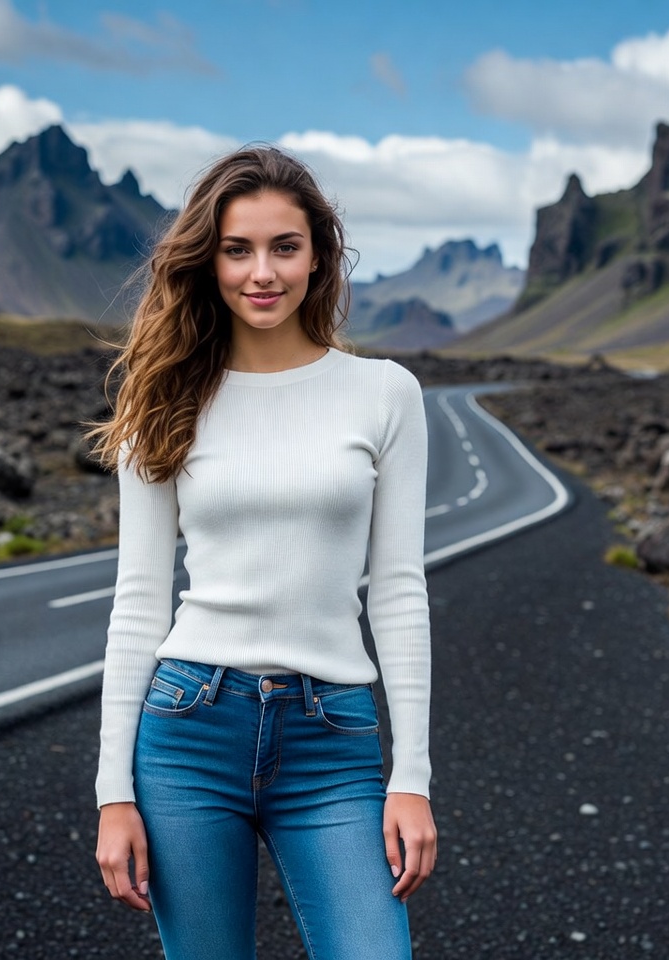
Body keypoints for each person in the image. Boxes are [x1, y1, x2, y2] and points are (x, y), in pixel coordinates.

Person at [90, 145, 437, 960]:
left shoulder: (385, 393)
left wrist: (412, 777)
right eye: (237, 249)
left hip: (333, 738)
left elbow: (397, 591)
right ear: (207, 261)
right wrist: (113, 793)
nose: (262, 272)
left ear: (318, 254)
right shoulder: (163, 396)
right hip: (187, 733)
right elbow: (138, 599)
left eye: (285, 247)